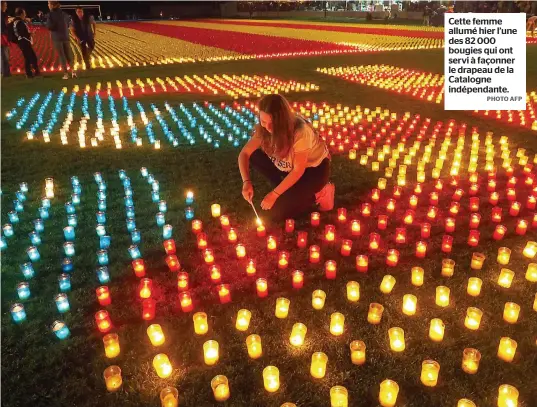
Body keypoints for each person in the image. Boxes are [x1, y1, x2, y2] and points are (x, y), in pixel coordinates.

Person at [238, 94, 335, 222]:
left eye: (272, 123)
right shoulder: (264, 129)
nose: (267, 128)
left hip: (313, 171)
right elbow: (244, 154)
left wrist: (274, 195)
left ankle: (320, 192)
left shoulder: (300, 131)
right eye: (263, 121)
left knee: (278, 213)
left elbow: (298, 170)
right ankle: (285, 188)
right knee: (254, 155)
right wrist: (246, 182)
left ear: (282, 120)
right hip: (288, 166)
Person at [46, 1, 75, 79]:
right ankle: (73, 72)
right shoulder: (64, 14)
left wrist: (54, 25)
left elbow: (49, 26)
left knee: (62, 56)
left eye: (48, 4)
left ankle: (66, 74)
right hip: (66, 36)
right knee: (68, 55)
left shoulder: (50, 14)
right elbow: (69, 23)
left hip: (57, 37)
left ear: (52, 5)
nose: (48, 5)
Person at [12, 7, 40, 78]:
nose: (25, 15)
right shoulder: (20, 22)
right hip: (24, 41)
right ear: (21, 14)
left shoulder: (16, 21)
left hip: (21, 41)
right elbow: (22, 33)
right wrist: (30, 34)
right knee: (29, 58)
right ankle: (29, 73)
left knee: (31, 57)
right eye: (24, 13)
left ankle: (34, 71)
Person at [1, 1, 11, 77]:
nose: (6, 7)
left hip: (4, 37)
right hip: (2, 38)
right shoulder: (2, 15)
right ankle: (6, 73)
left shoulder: (4, 15)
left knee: (5, 56)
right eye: (5, 5)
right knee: (5, 56)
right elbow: (4, 27)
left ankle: (6, 73)